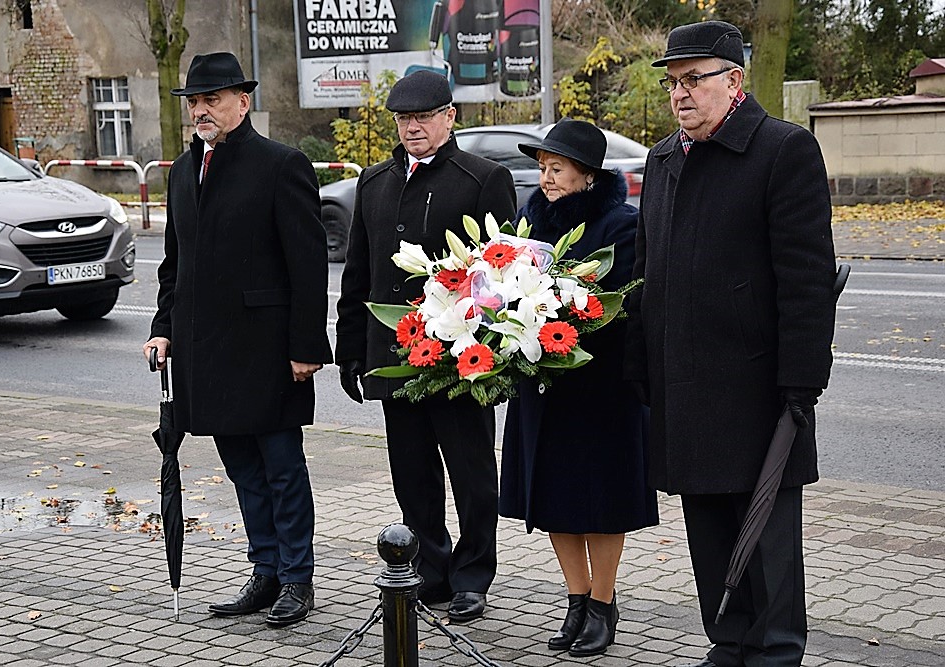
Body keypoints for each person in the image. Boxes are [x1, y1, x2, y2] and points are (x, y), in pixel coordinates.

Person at [624, 21, 838, 667]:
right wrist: (641, 366)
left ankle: (772, 653)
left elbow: (805, 280)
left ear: (735, 81)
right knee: (712, 541)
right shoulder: (663, 160)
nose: (680, 94)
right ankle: (729, 644)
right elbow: (645, 272)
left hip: (758, 395)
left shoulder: (783, 150)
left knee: (767, 548)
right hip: (685, 389)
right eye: (672, 82)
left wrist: (801, 385)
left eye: (694, 79)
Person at [142, 52, 332, 628]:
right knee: (243, 471)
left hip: (269, 351)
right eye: (194, 102)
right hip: (209, 355)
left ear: (242, 102)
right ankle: (266, 569)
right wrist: (162, 326)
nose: (202, 110)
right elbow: (176, 262)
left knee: (281, 468)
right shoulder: (180, 171)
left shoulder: (281, 164)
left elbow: (307, 266)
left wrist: (306, 346)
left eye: (214, 99)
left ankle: (297, 579)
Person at [335, 70, 516, 623]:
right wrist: (351, 350)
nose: (412, 127)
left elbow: (500, 274)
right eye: (403, 119)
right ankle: (431, 570)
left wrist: (486, 349)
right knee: (411, 472)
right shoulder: (374, 181)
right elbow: (359, 274)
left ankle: (472, 576)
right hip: (394, 357)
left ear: (449, 117)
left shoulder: (483, 177)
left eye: (423, 117)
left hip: (461, 357)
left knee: (472, 473)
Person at [498, 119, 659, 657]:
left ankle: (604, 603)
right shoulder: (528, 218)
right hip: (541, 384)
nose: (545, 178)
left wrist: (561, 311)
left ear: (587, 174)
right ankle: (575, 596)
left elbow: (622, 303)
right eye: (542, 168)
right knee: (553, 497)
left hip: (601, 387)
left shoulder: (622, 224)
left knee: (601, 501)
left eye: (557, 168)